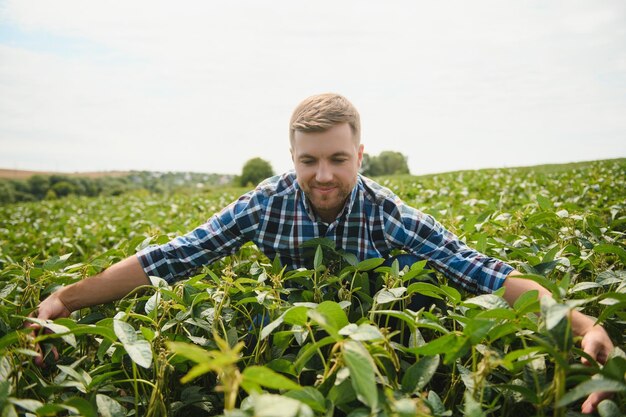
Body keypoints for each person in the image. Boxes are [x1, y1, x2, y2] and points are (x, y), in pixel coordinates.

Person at [31, 93, 613, 413]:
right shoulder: (265, 205)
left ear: (360, 154)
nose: (324, 173)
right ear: (292, 157)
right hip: (290, 322)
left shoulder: (385, 211)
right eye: (309, 160)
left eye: (337, 158)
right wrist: (63, 298)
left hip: (371, 328)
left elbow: (476, 268)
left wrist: (579, 322)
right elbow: (171, 257)